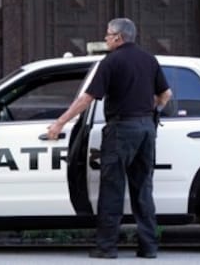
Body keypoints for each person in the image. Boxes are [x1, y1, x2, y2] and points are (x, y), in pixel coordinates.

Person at [47, 18, 172, 259]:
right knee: (143, 190)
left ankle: (107, 247)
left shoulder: (111, 61)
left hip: (121, 130)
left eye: (107, 34)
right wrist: (151, 113)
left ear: (118, 37)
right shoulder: (149, 60)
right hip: (146, 130)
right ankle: (149, 248)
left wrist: (59, 123)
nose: (105, 38)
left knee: (112, 189)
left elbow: (86, 99)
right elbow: (166, 94)